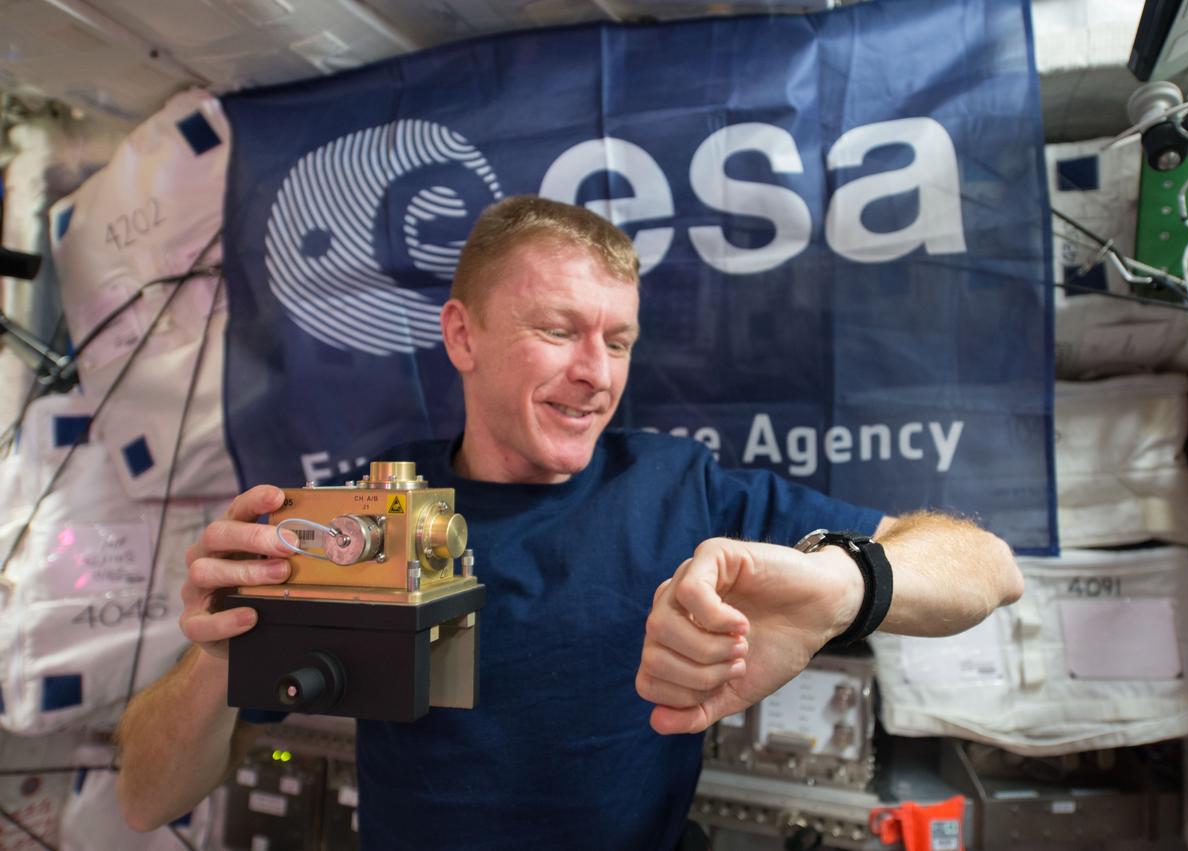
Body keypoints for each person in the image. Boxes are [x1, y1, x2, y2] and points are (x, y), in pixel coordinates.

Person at [115, 196, 1023, 850]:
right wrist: (223, 654)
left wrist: (839, 585)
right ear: (463, 337)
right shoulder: (369, 520)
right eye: (558, 330)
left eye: (618, 340)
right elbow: (148, 795)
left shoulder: (680, 489)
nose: (597, 372)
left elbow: (987, 568)